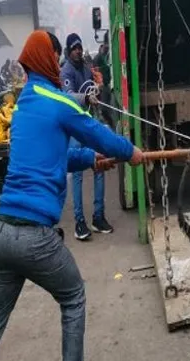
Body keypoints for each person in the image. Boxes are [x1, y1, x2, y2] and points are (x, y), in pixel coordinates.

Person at [0, 30, 143, 361]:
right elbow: (96, 133)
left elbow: (53, 159)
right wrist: (129, 151)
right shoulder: (58, 102)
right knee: (73, 296)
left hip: (3, 236)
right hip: (34, 237)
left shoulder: (23, 107)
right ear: (48, 60)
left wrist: (90, 160)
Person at [61, 33, 111, 240]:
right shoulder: (66, 70)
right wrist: (86, 98)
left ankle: (98, 217)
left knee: (100, 164)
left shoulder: (85, 67)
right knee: (78, 173)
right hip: (75, 126)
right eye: (74, 48)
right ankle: (79, 222)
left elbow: (94, 88)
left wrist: (97, 87)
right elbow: (68, 96)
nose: (78, 51)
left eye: (80, 47)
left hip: (89, 122)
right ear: (68, 50)